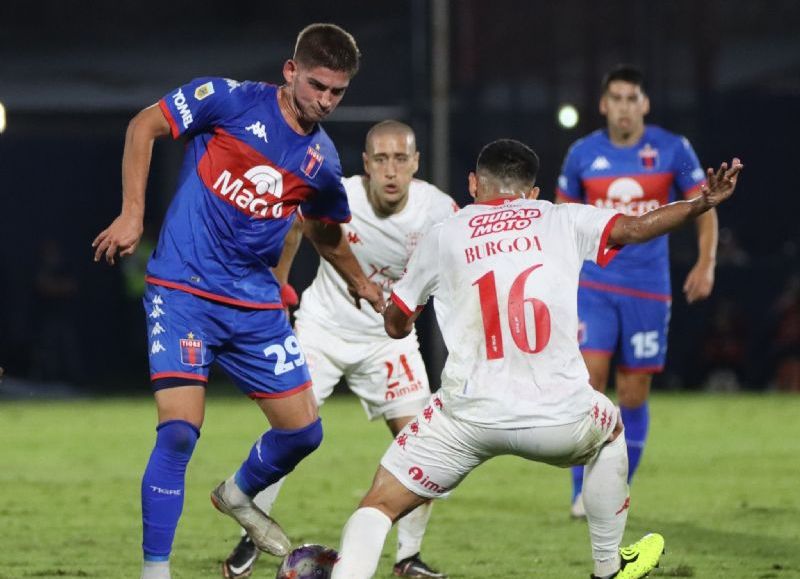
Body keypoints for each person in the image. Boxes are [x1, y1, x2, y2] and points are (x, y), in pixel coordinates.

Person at [330, 139, 742, 579]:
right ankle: (608, 569)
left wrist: (398, 313)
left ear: (473, 184)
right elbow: (637, 226)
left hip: (467, 420)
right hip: (559, 417)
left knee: (377, 505)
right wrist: (700, 203)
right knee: (611, 427)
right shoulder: (560, 217)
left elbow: (396, 324)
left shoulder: (445, 232)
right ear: (532, 192)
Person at [91, 23, 384, 579]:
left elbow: (324, 230)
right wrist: (133, 213)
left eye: (337, 92)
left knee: (304, 433)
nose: (325, 100)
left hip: (253, 302)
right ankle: (156, 572)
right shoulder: (225, 100)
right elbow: (143, 126)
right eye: (317, 85)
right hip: (184, 289)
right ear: (290, 70)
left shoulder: (320, 158)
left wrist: (362, 283)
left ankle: (236, 493)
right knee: (179, 430)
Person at [221, 120, 455, 579]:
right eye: (381, 160)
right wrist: (278, 290)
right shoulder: (338, 193)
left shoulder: (439, 210)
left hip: (388, 343)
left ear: (416, 163)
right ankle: (252, 534)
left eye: (400, 159)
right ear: (365, 165)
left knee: (425, 448)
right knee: (290, 434)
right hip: (322, 329)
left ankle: (408, 558)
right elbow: (295, 222)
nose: (391, 170)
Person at [555, 65, 719, 517]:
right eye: (617, 99)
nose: (625, 108)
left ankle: (614, 488)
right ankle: (581, 492)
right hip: (595, 284)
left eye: (633, 99)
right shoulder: (582, 154)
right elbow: (561, 221)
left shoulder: (673, 150)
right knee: (590, 383)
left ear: (644, 104)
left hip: (648, 289)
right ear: (603, 104)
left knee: (633, 394)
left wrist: (706, 262)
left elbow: (703, 207)